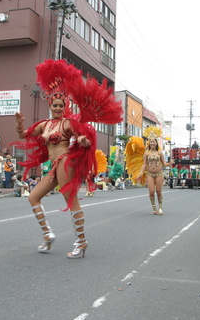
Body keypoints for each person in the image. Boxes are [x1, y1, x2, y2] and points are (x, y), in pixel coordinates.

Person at [13, 59, 122, 258]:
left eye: (61, 105)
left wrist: (83, 140)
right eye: (55, 105)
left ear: (65, 106)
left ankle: (81, 242)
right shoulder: (44, 125)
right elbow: (24, 135)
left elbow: (78, 135)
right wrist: (19, 124)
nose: (57, 108)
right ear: (50, 105)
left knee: (71, 201)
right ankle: (48, 235)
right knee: (33, 197)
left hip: (65, 162)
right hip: (54, 167)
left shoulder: (67, 123)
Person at [134, 126, 171, 215]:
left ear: (156, 143)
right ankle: (154, 207)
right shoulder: (146, 153)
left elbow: (164, 163)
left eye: (154, 141)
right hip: (149, 174)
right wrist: (140, 174)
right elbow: (144, 164)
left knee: (158, 191)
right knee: (151, 192)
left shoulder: (160, 153)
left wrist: (169, 163)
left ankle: (160, 207)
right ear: (149, 143)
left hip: (158, 173)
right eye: (151, 142)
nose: (152, 143)